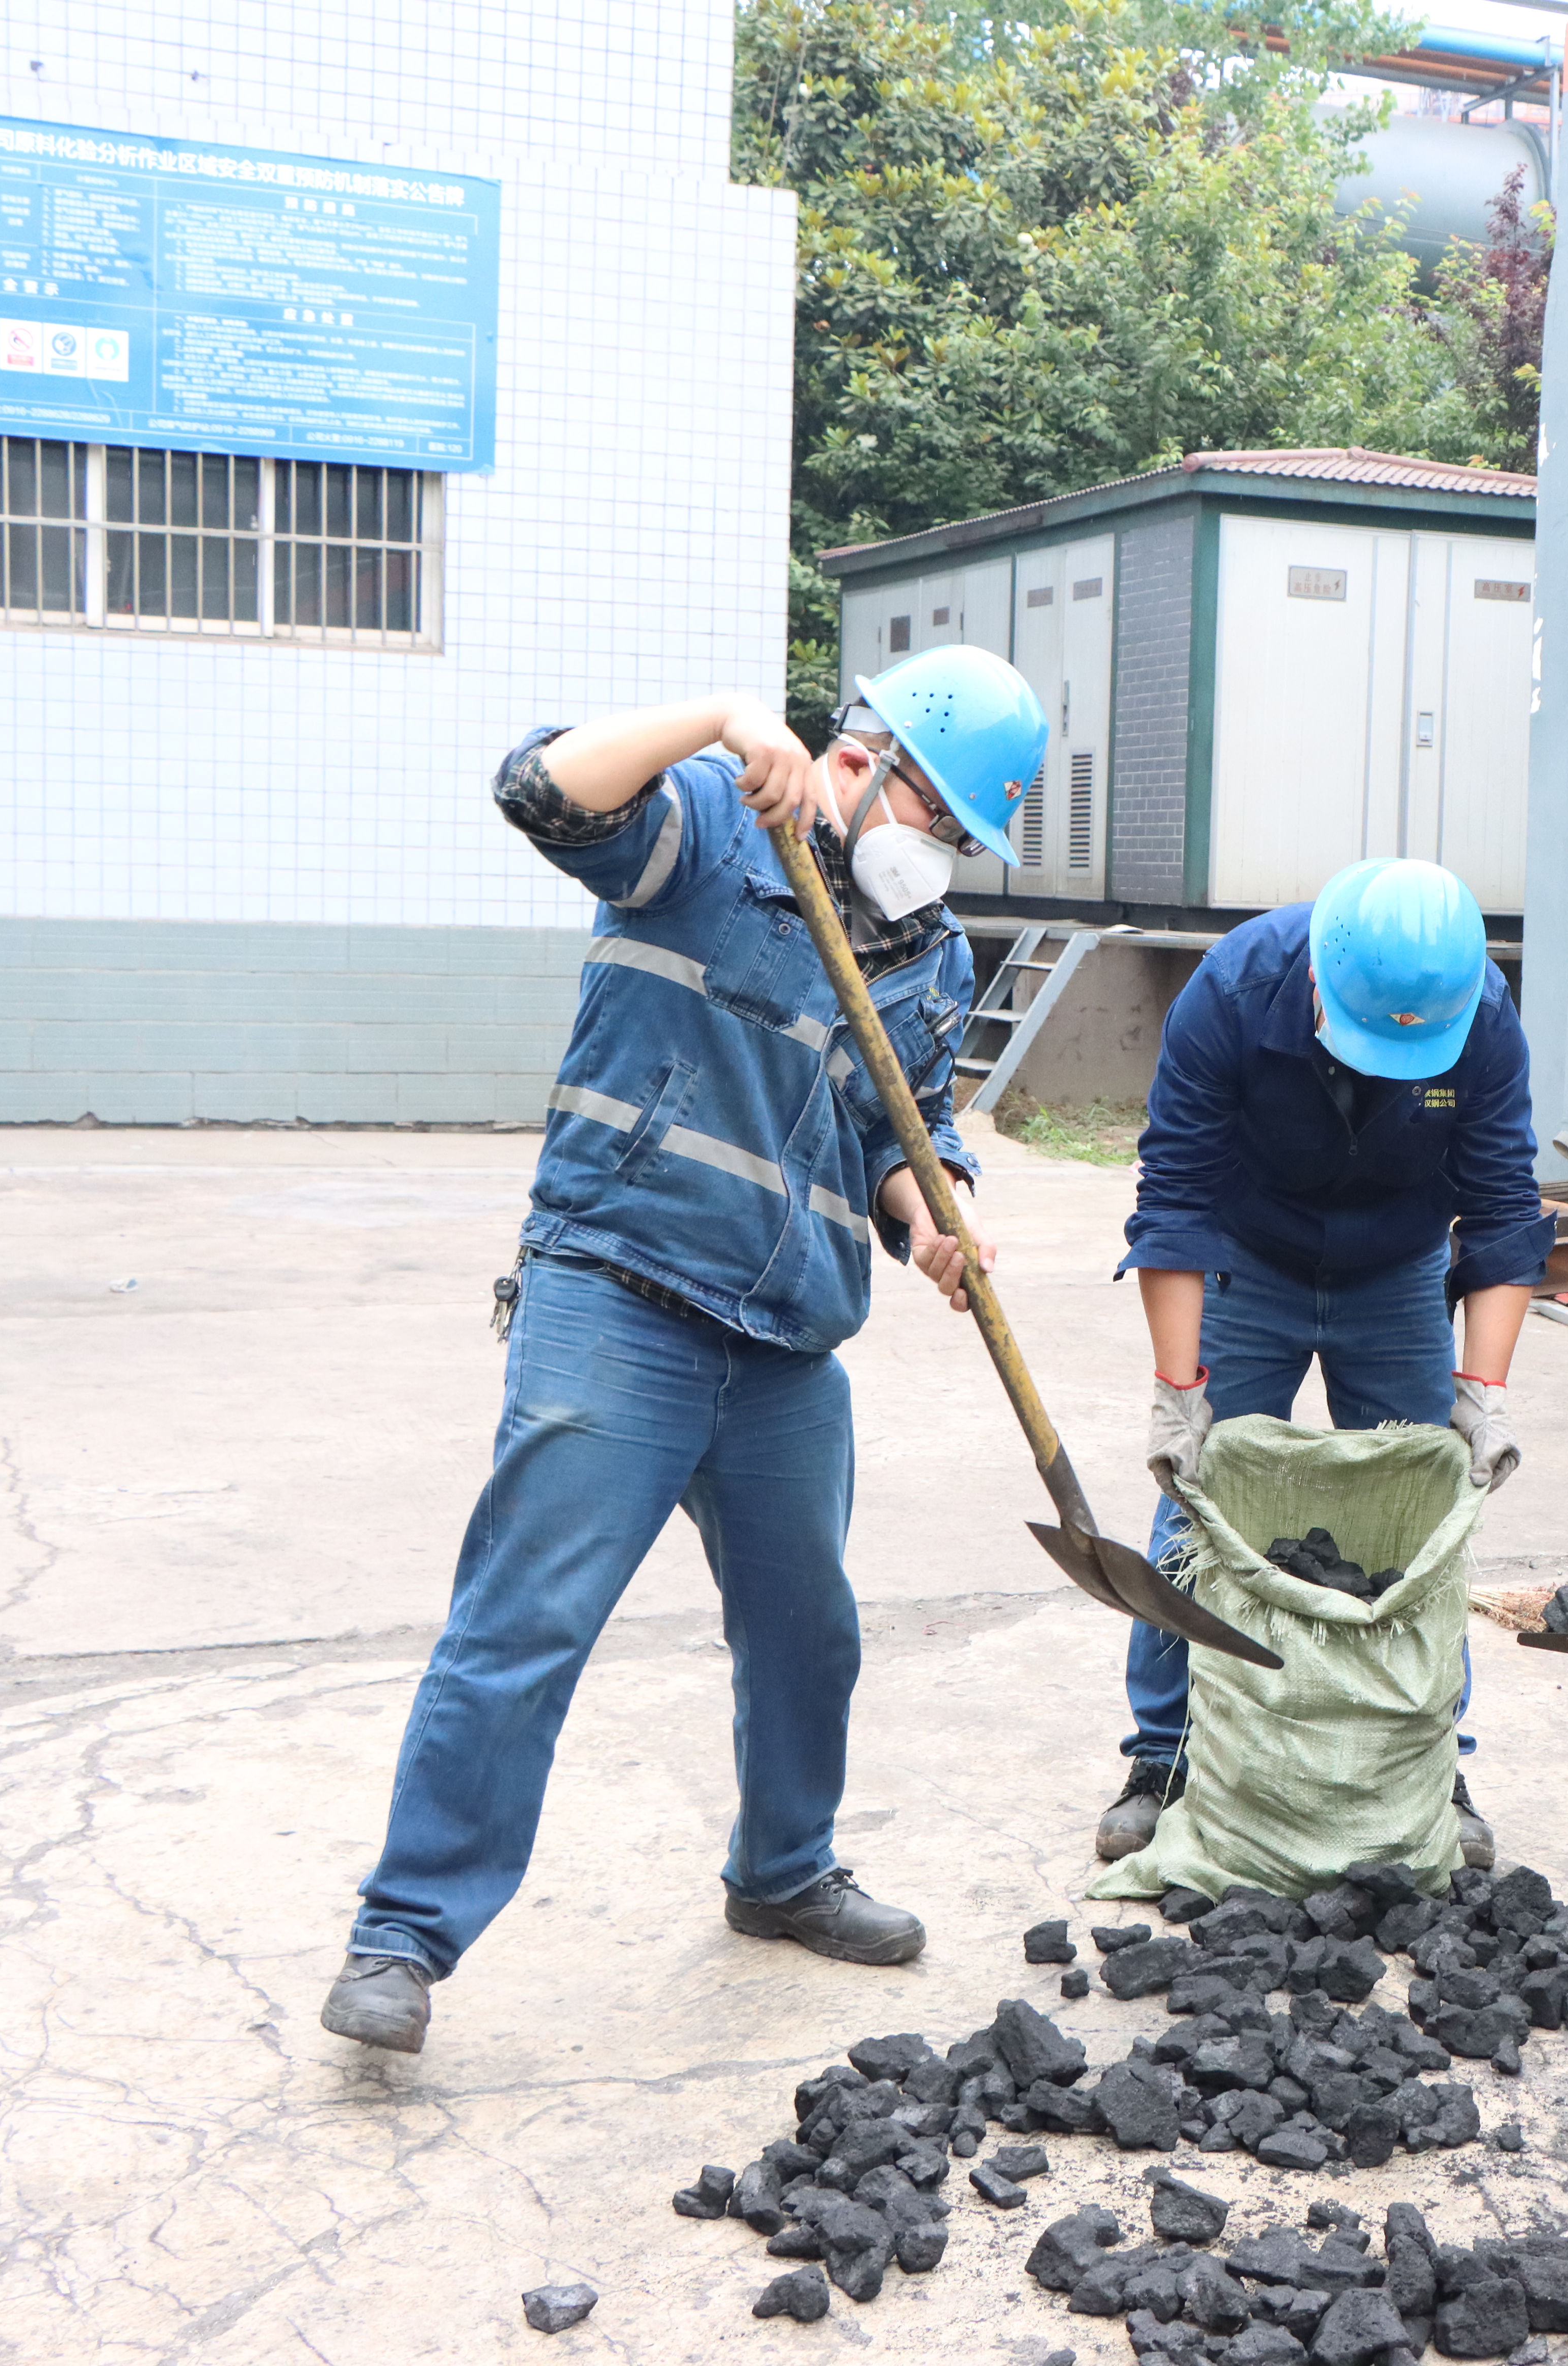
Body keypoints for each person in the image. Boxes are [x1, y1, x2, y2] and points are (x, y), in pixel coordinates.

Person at [318, 647, 1043, 2055]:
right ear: (864, 762)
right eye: (941, 822)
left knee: (807, 1630)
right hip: (623, 1292)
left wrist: (931, 1217)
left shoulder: (930, 955)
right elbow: (541, 789)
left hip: (787, 1332)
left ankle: (783, 1873)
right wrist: (718, 717)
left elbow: (904, 1126)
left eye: (964, 840)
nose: (945, 858)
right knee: (526, 1621)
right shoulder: (713, 827)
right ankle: (403, 1934)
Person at [1101, 856, 1555, 1867]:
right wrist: (1180, 1394)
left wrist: (1482, 1395)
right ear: (1320, 980)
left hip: (1394, 1270)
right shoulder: (1232, 988)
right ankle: (1164, 1754)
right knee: (1198, 1505)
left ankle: (1430, 1758)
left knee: (1419, 1513)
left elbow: (1502, 1212)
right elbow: (1173, 1196)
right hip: (1246, 1258)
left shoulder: (1478, 1014)